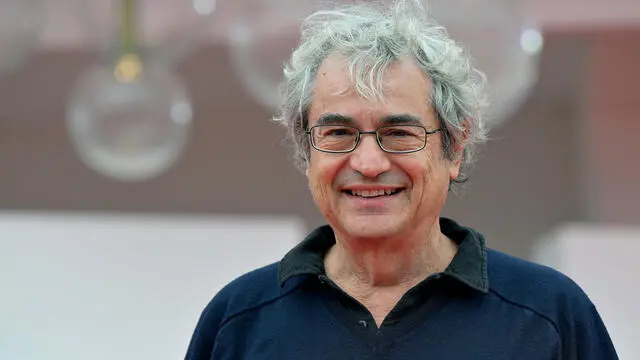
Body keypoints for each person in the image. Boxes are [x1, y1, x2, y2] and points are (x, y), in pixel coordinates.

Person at [185, 1, 618, 359]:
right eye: (338, 133)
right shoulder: (238, 322)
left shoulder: (549, 316)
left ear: (454, 146)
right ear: (306, 150)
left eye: (399, 133)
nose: (369, 162)